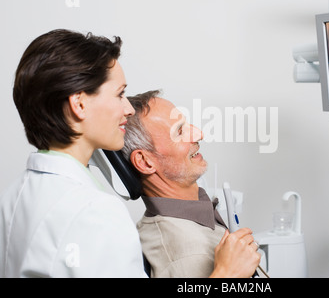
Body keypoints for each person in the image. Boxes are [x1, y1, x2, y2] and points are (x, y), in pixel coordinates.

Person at [0, 29, 260, 278]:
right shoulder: (96, 212)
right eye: (119, 94)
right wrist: (226, 274)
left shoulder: (13, 198)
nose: (127, 108)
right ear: (79, 104)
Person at [121, 90, 261, 278]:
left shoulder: (188, 223)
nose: (199, 134)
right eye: (180, 131)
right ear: (145, 162)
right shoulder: (188, 254)